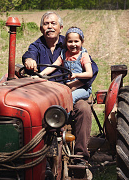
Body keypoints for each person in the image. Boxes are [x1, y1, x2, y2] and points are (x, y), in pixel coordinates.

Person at [22, 12, 93, 164]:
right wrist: (29, 60)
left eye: (53, 23)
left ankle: (81, 157)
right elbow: (30, 54)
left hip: (70, 91)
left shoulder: (69, 42)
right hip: (44, 95)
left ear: (61, 28)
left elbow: (92, 69)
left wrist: (75, 85)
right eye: (46, 24)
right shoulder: (37, 45)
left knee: (84, 109)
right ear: (41, 29)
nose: (50, 27)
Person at [39, 26, 93, 104]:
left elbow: (89, 73)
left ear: (82, 42)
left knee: (70, 97)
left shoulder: (84, 55)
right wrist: (40, 75)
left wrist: (76, 75)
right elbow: (53, 66)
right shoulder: (64, 54)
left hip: (82, 88)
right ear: (66, 42)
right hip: (67, 86)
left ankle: (64, 115)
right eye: (70, 41)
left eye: (76, 41)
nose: (73, 44)